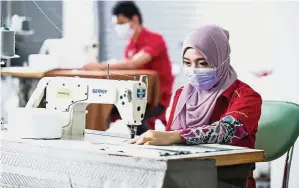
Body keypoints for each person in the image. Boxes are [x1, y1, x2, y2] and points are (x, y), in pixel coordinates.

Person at [130, 24, 262, 188]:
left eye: (203, 63)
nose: (194, 70)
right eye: (187, 63)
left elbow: (226, 131)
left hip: (227, 180)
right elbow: (168, 144)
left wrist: (175, 136)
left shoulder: (246, 96)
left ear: (221, 60)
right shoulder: (182, 95)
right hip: (184, 178)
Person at [82, 1, 174, 135]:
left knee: (132, 116)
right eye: (116, 25)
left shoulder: (155, 39)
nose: (118, 28)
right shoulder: (130, 45)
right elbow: (126, 66)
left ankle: (148, 142)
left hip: (156, 97)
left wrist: (100, 66)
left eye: (121, 23)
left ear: (134, 19)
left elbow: (133, 64)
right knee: (104, 108)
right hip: (136, 95)